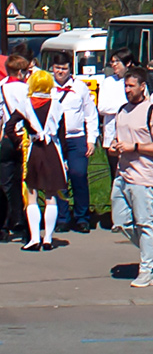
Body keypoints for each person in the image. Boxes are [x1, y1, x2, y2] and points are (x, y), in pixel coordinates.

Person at [110, 67, 153, 287]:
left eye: (131, 86)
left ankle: (147, 272)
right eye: (125, 86)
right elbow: (116, 140)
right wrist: (116, 147)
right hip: (122, 173)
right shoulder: (122, 110)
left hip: (143, 175)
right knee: (120, 220)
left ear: (142, 86)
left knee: (145, 223)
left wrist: (135, 146)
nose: (127, 90)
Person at [50, 54, 99, 234]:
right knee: (60, 179)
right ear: (52, 68)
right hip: (56, 139)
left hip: (77, 137)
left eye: (64, 68)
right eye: (57, 68)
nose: (61, 72)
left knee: (79, 175)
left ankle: (82, 217)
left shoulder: (79, 87)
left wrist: (91, 139)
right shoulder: (48, 88)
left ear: (70, 69)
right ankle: (63, 217)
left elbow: (90, 114)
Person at [1, 54, 45, 246]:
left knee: (5, 184)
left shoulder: (1, 87)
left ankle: (4, 225)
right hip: (25, 138)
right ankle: (28, 227)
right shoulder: (27, 89)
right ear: (20, 72)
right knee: (27, 184)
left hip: (6, 138)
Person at [23, 65, 68, 251]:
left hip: (35, 150)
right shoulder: (56, 104)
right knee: (51, 195)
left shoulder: (27, 104)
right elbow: (63, 134)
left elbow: (10, 125)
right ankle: (48, 238)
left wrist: (23, 137)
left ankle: (34, 239)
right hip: (52, 150)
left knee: (32, 193)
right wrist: (64, 158)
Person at [96, 48, 134, 204]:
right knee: (116, 175)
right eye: (112, 62)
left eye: (117, 62)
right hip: (111, 135)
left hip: (131, 135)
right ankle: (118, 212)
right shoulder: (108, 82)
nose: (114, 65)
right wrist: (123, 107)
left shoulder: (134, 80)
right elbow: (102, 107)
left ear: (128, 63)